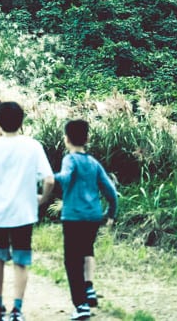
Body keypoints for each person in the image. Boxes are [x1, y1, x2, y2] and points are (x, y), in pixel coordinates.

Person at [0, 101, 55, 321]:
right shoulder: (32, 146)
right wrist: (42, 198)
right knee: (21, 260)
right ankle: (17, 310)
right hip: (24, 213)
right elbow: (49, 179)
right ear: (21, 121)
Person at [55, 119, 119, 321]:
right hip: (93, 217)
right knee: (86, 250)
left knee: (72, 261)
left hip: (74, 217)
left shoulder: (70, 159)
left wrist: (46, 176)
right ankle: (88, 290)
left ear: (66, 139)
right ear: (88, 138)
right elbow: (111, 192)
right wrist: (111, 213)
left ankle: (81, 305)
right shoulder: (93, 163)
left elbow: (64, 178)